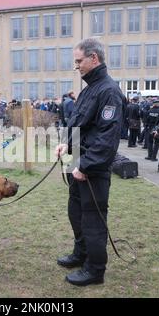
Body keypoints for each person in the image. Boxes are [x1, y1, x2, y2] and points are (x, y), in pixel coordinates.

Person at [55, 38, 125, 286]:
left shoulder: (108, 91)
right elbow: (78, 123)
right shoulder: (89, 89)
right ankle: (81, 254)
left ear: (94, 58)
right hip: (77, 164)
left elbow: (107, 138)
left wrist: (86, 165)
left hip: (91, 170)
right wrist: (66, 143)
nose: (77, 66)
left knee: (93, 219)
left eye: (79, 61)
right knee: (76, 213)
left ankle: (95, 270)